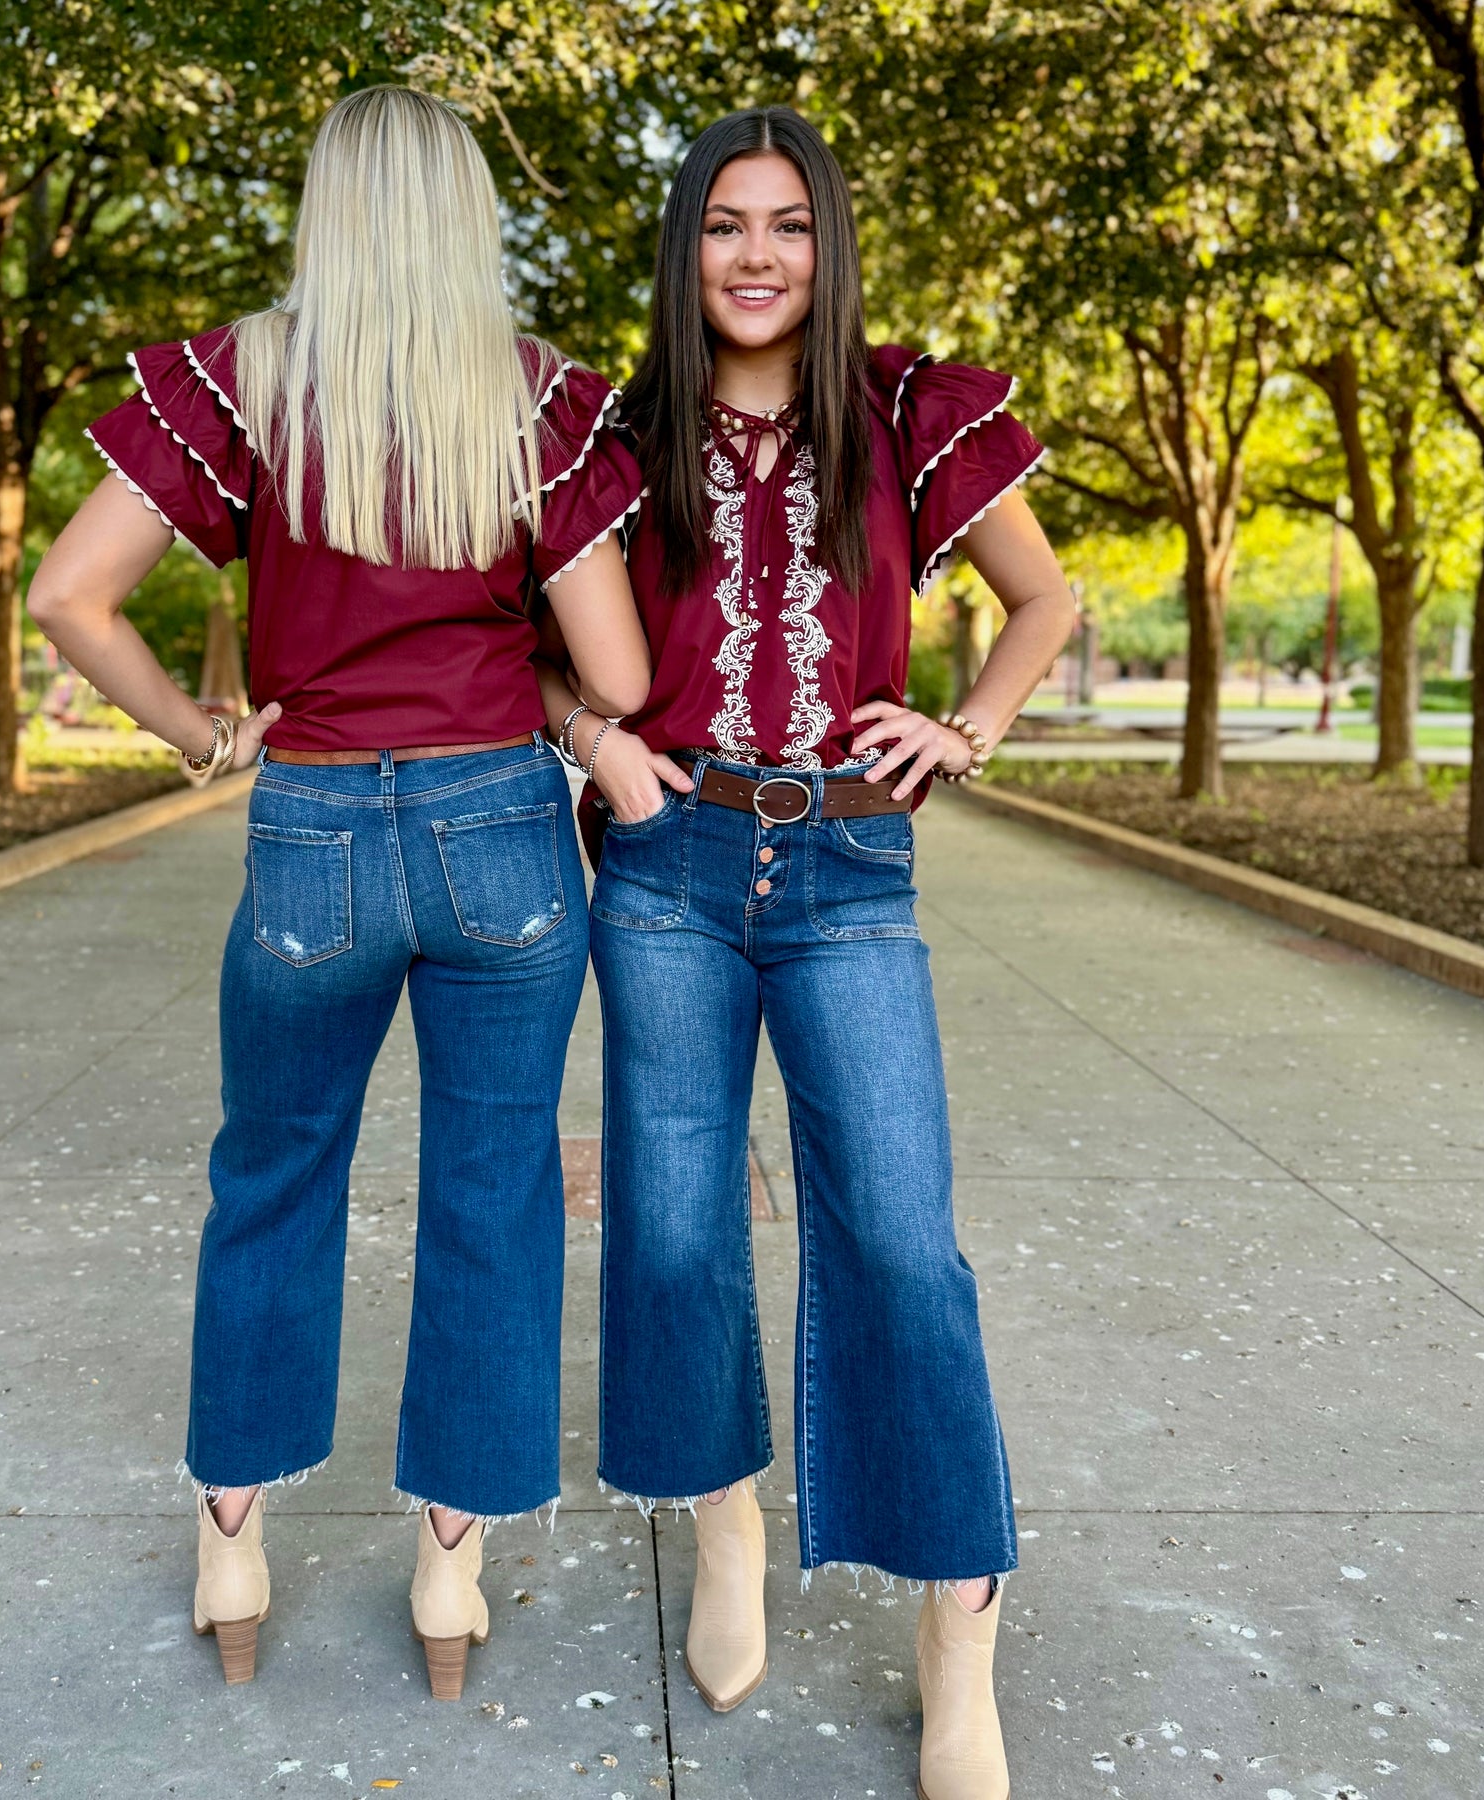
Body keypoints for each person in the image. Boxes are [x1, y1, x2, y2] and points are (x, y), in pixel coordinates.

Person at [28, 85, 650, 1694]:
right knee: (494, 1187)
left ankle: (232, 1544)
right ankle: (448, 1572)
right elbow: (619, 676)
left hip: (309, 820)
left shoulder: (239, 383)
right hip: (499, 821)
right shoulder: (533, 401)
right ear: (465, 218)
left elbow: (71, 597)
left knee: (274, 1173)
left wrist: (200, 735)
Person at [539, 108, 1075, 1800]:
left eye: (786, 223)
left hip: (851, 864)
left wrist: (969, 727)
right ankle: (724, 1521)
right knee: (676, 1227)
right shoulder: (612, 437)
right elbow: (521, 639)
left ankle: (957, 1629)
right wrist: (592, 739)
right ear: (684, 247)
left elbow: (1046, 602)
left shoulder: (912, 412)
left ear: (827, 243)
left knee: (904, 1242)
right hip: (666, 869)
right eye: (723, 224)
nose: (756, 254)